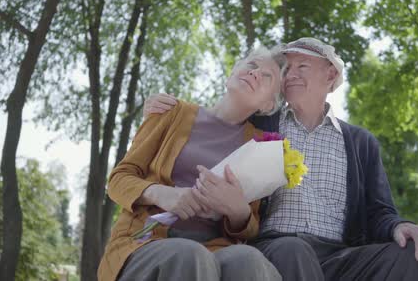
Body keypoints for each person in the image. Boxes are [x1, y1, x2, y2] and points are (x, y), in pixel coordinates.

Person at [144, 37, 418, 280]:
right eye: (287, 69)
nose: (292, 74)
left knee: (417, 253)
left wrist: (398, 226)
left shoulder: (360, 142)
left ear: (331, 75)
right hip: (276, 248)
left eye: (303, 66)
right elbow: (217, 120)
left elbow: (379, 211)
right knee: (293, 249)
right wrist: (166, 110)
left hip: (343, 255)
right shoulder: (260, 124)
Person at [98, 46, 286, 281]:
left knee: (250, 261)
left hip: (217, 249)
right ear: (232, 72)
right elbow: (118, 180)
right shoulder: (170, 112)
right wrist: (160, 194)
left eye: (267, 76)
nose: (255, 73)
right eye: (252, 65)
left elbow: (250, 227)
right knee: (190, 255)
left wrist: (239, 212)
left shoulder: (258, 145)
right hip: (145, 241)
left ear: (268, 105)